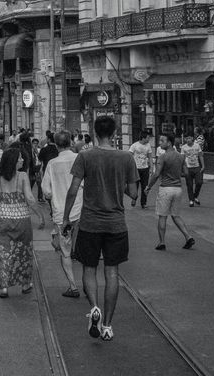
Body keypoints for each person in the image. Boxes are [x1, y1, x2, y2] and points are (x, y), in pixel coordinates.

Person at [62, 116, 138, 342]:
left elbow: (73, 189)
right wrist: (116, 183)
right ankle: (107, 326)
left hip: (89, 223)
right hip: (116, 224)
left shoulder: (85, 156)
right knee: (112, 272)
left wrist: (66, 218)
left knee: (88, 269)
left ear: (94, 134)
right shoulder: (126, 157)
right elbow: (133, 193)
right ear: (115, 134)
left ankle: (94, 308)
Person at [0, 145, 45, 298]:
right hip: (22, 220)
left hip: (2, 219)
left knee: (4, 253)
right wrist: (40, 215)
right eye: (20, 158)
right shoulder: (22, 176)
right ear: (13, 161)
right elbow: (30, 199)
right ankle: (25, 284)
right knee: (24, 252)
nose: (22, 160)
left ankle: (4, 287)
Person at [41, 131, 82, 297]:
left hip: (61, 214)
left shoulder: (52, 164)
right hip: (80, 211)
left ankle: (73, 286)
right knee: (83, 248)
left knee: (64, 250)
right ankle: (88, 283)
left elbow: (46, 191)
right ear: (71, 142)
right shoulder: (79, 159)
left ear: (56, 145)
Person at [148, 133, 195, 251]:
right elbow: (186, 173)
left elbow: (156, 174)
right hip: (178, 189)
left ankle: (162, 242)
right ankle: (188, 237)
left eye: (162, 141)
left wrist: (148, 186)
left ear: (169, 143)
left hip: (166, 189)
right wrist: (176, 173)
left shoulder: (163, 157)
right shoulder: (180, 156)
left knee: (162, 216)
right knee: (176, 215)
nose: (160, 143)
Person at [129, 130, 154, 209]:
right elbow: (129, 156)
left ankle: (143, 203)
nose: (149, 139)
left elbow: (150, 157)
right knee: (135, 186)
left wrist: (152, 167)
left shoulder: (148, 146)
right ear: (143, 138)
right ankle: (134, 198)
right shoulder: (134, 145)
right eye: (148, 137)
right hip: (136, 169)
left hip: (145, 168)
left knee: (145, 186)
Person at [180, 134, 205, 206]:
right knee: (189, 184)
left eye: (189, 138)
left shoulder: (197, 146)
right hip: (188, 167)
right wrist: (182, 168)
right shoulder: (183, 147)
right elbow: (182, 158)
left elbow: (200, 155)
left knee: (199, 182)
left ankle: (195, 196)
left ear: (192, 138)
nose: (188, 140)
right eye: (186, 138)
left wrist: (203, 165)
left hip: (197, 166)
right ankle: (191, 200)